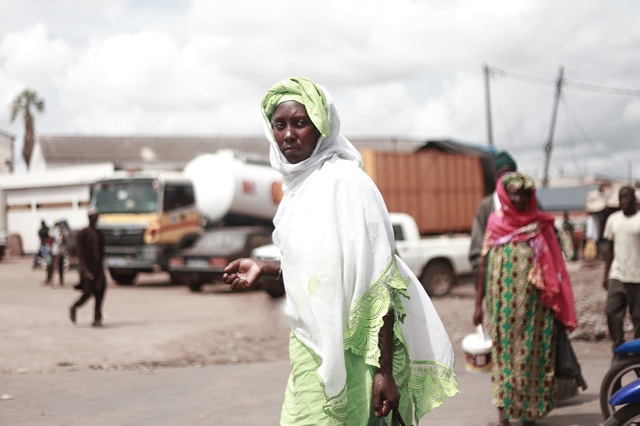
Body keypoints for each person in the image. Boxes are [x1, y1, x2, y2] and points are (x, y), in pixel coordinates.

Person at [223, 77, 458, 425]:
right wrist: (266, 266)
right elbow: (321, 270)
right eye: (280, 125)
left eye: (300, 123)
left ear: (321, 127)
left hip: (360, 353)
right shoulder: (294, 194)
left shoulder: (348, 184)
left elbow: (379, 279)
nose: (288, 134)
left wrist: (384, 372)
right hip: (311, 349)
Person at [473, 172, 577, 426]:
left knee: (532, 357)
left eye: (524, 193)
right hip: (502, 307)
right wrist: (478, 303)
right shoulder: (495, 223)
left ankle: (529, 414)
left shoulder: (540, 225)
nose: (518, 199)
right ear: (505, 195)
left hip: (535, 309)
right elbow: (484, 266)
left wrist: (558, 305)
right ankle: (503, 414)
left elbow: (555, 265)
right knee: (503, 357)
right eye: (514, 193)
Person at [602, 186, 640, 357]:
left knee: (638, 319)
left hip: (637, 278)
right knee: (611, 311)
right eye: (622, 197)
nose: (625, 200)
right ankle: (618, 347)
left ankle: (637, 356)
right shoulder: (613, 220)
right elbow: (609, 250)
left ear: (634, 199)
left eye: (628, 197)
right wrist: (606, 274)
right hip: (617, 275)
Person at [468, 151, 518, 281]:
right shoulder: (486, 207)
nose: (506, 180)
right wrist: (485, 275)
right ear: (495, 178)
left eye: (510, 174)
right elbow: (477, 249)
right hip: (495, 278)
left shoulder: (527, 202)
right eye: (502, 175)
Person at [70, 207, 106, 327]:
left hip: (98, 268)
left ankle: (97, 318)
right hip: (87, 269)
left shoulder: (99, 234)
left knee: (100, 291)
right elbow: (81, 255)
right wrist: (85, 271)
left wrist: (101, 270)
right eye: (95, 216)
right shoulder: (82, 234)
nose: (97, 219)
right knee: (88, 293)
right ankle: (74, 307)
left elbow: (101, 254)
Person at [46, 221, 68, 286]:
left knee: (60, 266)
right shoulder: (55, 231)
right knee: (52, 265)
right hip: (55, 251)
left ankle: (61, 281)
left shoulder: (62, 231)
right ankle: (50, 279)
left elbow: (62, 240)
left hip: (60, 251)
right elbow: (53, 239)